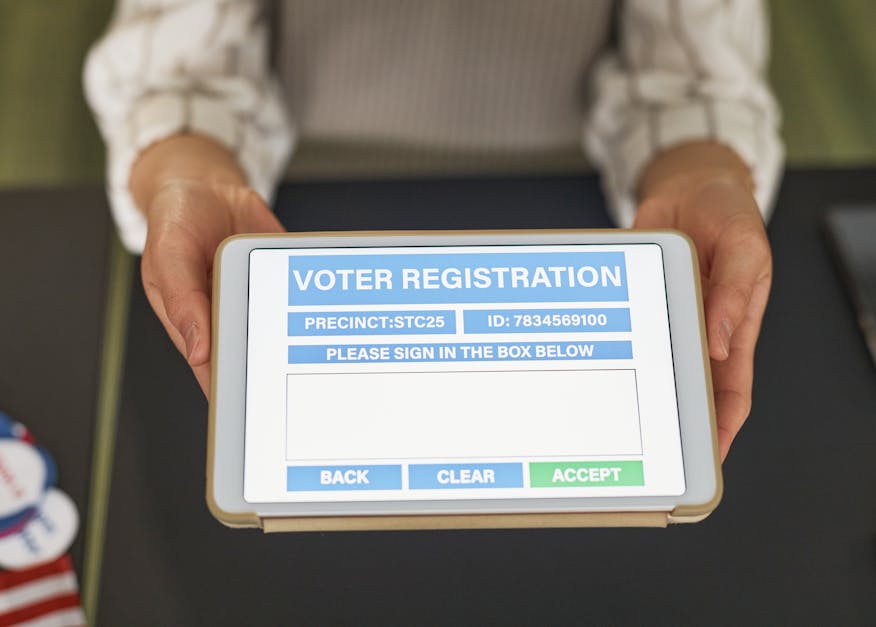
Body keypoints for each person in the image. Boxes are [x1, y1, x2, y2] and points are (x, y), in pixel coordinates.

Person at [85, 0, 781, 460]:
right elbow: (179, 72)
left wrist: (700, 172)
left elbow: (692, 76)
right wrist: (189, 176)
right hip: (281, 210)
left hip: (592, 212)